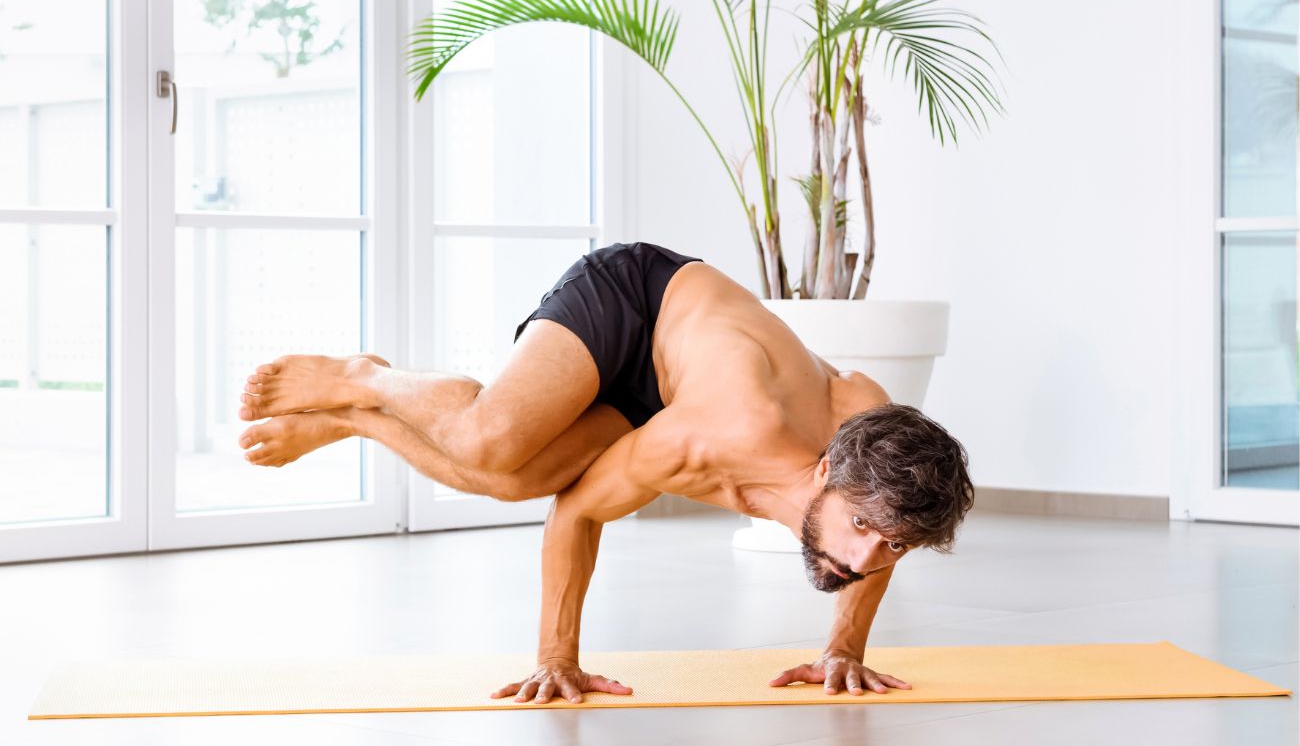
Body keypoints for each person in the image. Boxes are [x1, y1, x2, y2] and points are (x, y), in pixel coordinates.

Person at [236, 241, 974, 704]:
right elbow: (579, 511)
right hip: (634, 301)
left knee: (504, 483)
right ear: (822, 472)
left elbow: (882, 529)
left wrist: (843, 649)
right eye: (866, 532)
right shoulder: (711, 435)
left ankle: (349, 420)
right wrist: (558, 658)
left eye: (894, 546)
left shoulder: (875, 460)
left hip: (677, 378)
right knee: (492, 445)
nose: (871, 558)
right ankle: (367, 380)